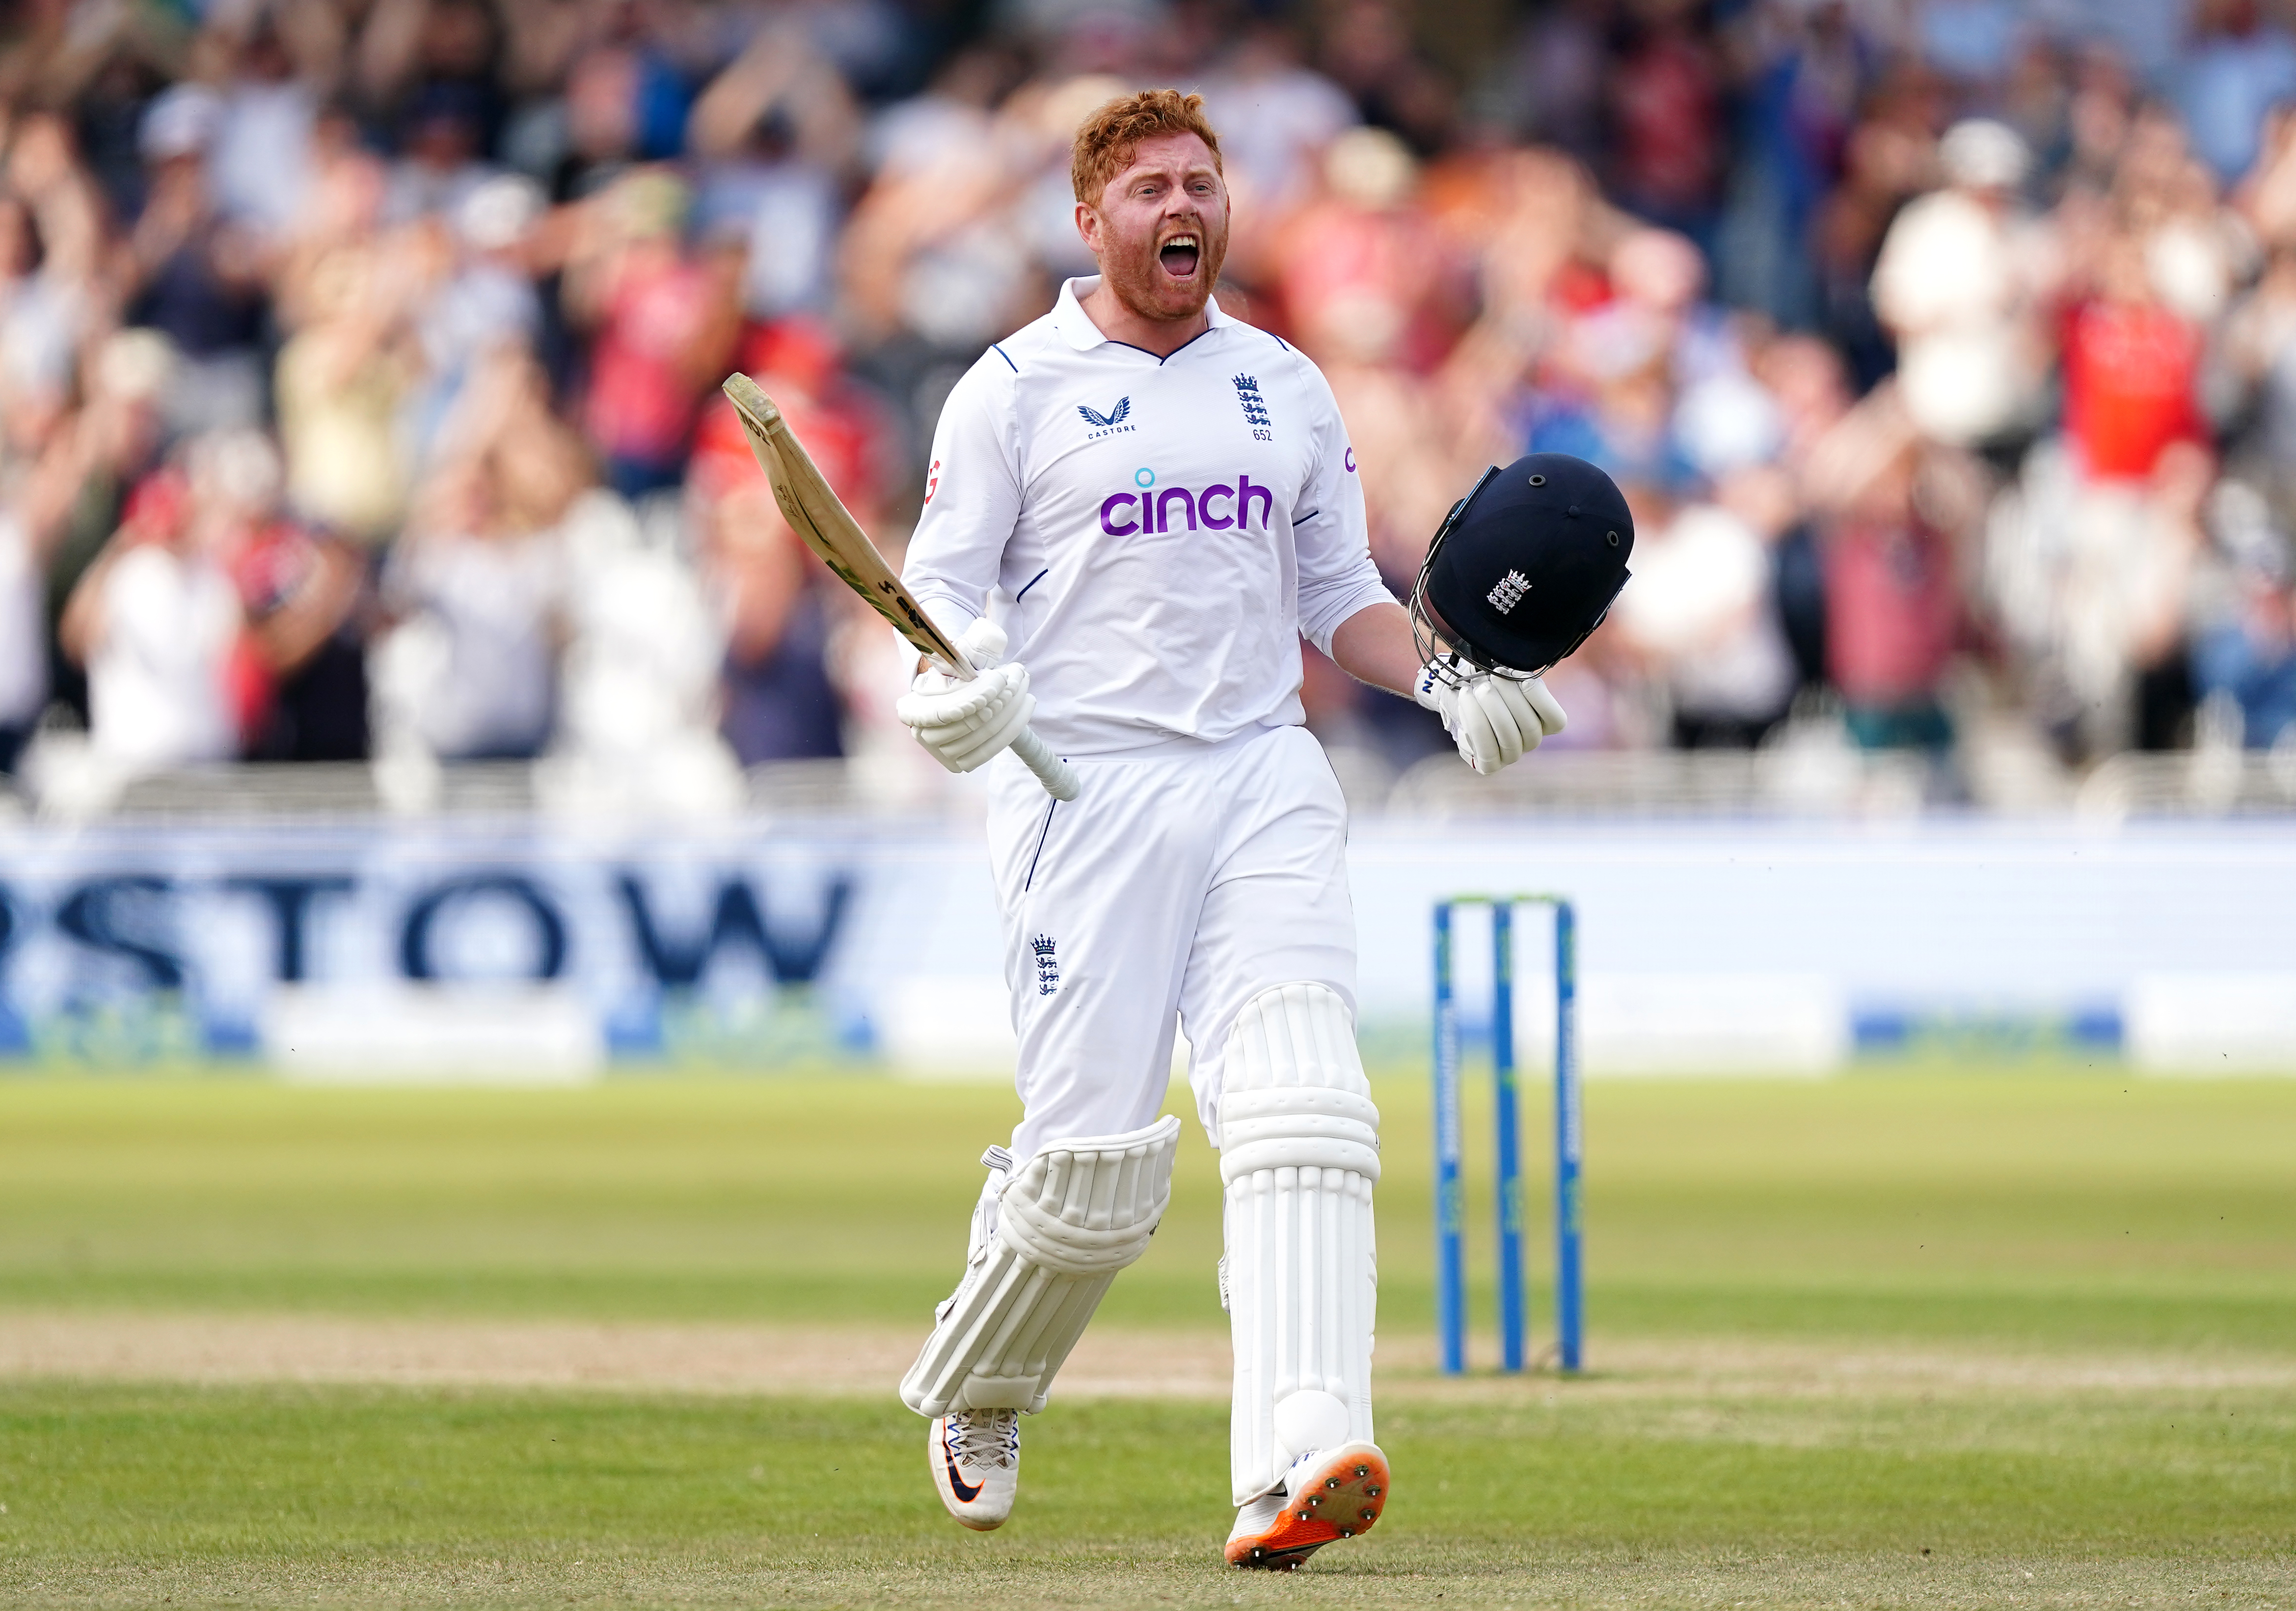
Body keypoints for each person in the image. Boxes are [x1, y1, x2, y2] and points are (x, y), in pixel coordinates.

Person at [889, 89, 1573, 1570]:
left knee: (1304, 1104)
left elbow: (1341, 600)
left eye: (1201, 180)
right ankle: (982, 1381)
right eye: (1148, 187)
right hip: (1087, 791)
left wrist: (1452, 683)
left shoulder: (1284, 383)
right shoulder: (1010, 390)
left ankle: (1298, 1450)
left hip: (1265, 770)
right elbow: (941, 607)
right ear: (1091, 219)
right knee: (1092, 1180)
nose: (1181, 204)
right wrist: (947, 695)